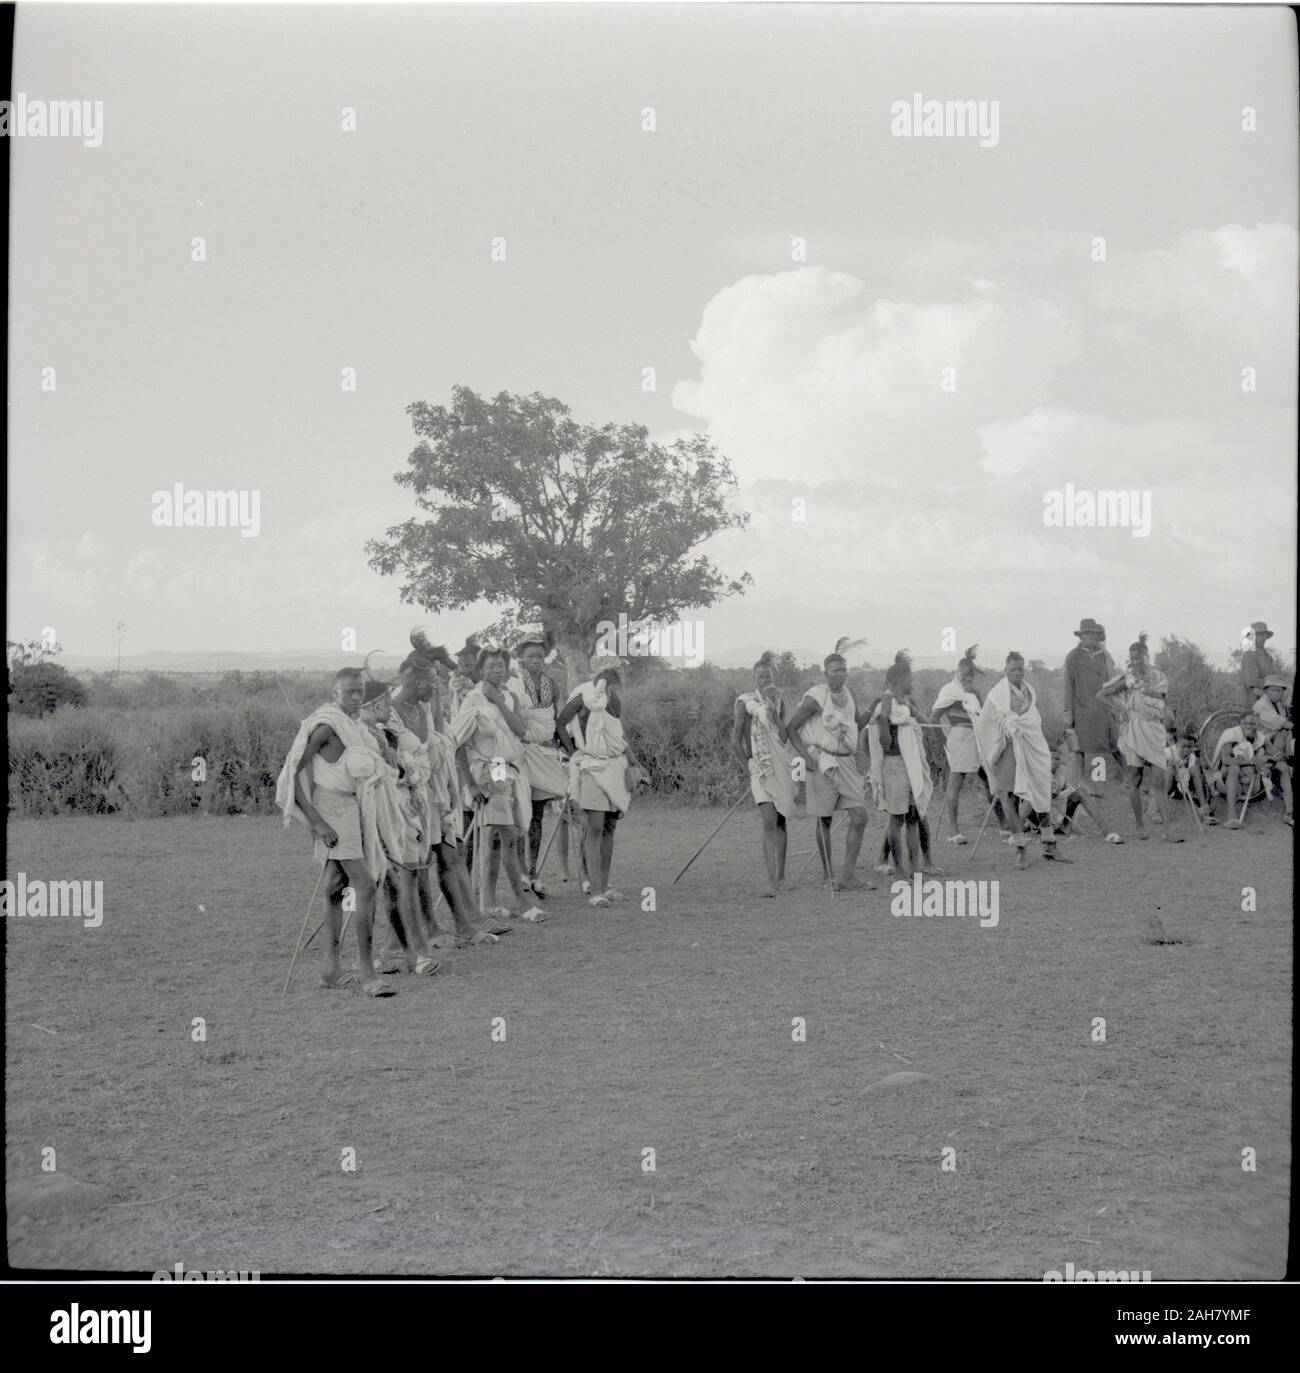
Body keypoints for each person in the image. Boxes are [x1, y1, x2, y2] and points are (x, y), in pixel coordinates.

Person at [275, 668, 397, 997]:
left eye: (360, 692)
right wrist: (316, 822)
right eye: (350, 692)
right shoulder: (327, 724)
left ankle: (330, 969)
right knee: (366, 884)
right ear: (335, 693)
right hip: (331, 812)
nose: (357, 697)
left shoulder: (355, 725)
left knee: (334, 885)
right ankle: (367, 970)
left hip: (353, 807)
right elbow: (292, 771)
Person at [388, 656, 508, 946]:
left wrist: (449, 788)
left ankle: (465, 924)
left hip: (436, 791)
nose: (438, 686)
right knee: (418, 862)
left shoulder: (424, 708)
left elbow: (444, 742)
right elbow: (393, 762)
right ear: (418, 682)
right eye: (434, 681)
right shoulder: (388, 714)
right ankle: (429, 929)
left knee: (449, 853)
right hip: (405, 797)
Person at [448, 647, 545, 922]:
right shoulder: (473, 698)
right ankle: (523, 903)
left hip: (511, 768)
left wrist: (500, 702)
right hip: (490, 769)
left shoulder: (509, 697)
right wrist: (472, 785)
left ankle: (488, 903)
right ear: (480, 670)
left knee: (496, 839)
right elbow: (457, 743)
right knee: (507, 835)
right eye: (491, 666)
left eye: (501, 665)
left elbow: (520, 731)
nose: (497, 670)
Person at [357, 681, 442, 977]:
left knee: (400, 885)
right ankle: (416, 954)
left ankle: (397, 954)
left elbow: (407, 769)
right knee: (400, 884)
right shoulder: (360, 736)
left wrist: (405, 767)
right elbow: (384, 774)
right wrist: (404, 768)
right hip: (385, 816)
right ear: (374, 705)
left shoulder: (380, 733)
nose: (390, 708)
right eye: (385, 703)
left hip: (402, 812)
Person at [556, 662, 646, 909]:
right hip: (591, 767)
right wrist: (574, 752)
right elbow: (560, 723)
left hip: (615, 767)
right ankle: (594, 890)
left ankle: (604, 886)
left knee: (609, 827)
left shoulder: (615, 703)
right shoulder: (584, 698)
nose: (610, 692)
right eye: (608, 686)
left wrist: (635, 763)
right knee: (594, 828)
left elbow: (618, 738)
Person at [787, 650, 871, 890]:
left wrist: (875, 707)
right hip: (822, 762)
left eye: (844, 669)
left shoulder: (849, 693)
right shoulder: (815, 698)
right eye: (835, 670)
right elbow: (792, 728)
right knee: (825, 819)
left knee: (860, 816)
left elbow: (857, 726)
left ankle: (848, 876)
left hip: (847, 762)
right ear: (825, 673)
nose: (841, 674)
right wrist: (805, 757)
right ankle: (828, 877)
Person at [974, 652, 1065, 866]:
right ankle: (1020, 848)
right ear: (1005, 670)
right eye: (1013, 669)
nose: (1017, 673)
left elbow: (1033, 720)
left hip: (1030, 744)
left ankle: (1049, 845)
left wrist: (1019, 724)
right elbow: (986, 723)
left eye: (1020, 669)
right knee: (1009, 796)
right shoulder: (997, 694)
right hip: (1007, 748)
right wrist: (1008, 725)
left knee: (1040, 791)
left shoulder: (1029, 691)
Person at [1097, 632, 1183, 843]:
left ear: (1147, 656)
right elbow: (1101, 695)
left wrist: (1168, 721)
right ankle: (1140, 827)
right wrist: (1120, 710)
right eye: (1132, 658)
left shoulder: (1160, 677)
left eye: (1139, 657)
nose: (1136, 661)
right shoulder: (1127, 677)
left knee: (1159, 782)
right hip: (1134, 730)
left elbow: (1162, 702)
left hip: (1154, 730)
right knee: (1134, 779)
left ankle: (1168, 831)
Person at [508, 633, 572, 895]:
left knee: (536, 817)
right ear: (521, 657)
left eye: (539, 655)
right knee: (520, 815)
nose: (535, 660)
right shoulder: (513, 683)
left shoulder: (551, 683)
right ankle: (521, 874)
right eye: (530, 655)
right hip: (521, 752)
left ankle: (533, 873)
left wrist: (569, 750)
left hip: (544, 754)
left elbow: (554, 719)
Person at [731, 651, 796, 897]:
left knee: (781, 820)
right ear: (753, 678)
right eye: (760, 676)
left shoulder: (779, 702)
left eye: (768, 676)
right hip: (759, 768)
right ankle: (771, 881)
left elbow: (783, 737)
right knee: (768, 819)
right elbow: (735, 740)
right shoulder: (745, 703)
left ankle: (781, 875)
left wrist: (775, 712)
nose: (764, 680)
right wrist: (747, 763)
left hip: (780, 766)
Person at [867, 651, 934, 880]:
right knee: (897, 818)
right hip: (895, 764)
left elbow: (927, 723)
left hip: (911, 765)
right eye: (910, 680)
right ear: (899, 682)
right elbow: (884, 738)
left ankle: (915, 867)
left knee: (914, 817)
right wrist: (886, 718)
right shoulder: (887, 702)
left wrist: (911, 711)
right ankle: (900, 869)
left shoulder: (907, 703)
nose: (913, 683)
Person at [931, 645, 1005, 844]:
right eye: (964, 675)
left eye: (970, 675)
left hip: (978, 738)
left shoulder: (973, 691)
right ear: (957, 672)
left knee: (989, 778)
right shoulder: (950, 690)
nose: (967, 678)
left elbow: (982, 714)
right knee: (956, 781)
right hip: (960, 737)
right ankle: (954, 831)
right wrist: (945, 741)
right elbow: (934, 717)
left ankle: (1005, 825)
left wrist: (975, 693)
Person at [1062, 617, 1118, 785]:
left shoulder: (1104, 656)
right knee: (1079, 753)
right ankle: (1076, 791)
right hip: (1082, 713)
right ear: (1081, 636)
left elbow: (1112, 680)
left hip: (1102, 713)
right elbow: (1068, 687)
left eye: (1094, 634)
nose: (1091, 637)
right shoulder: (1073, 657)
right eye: (1087, 633)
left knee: (1100, 752)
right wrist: (1068, 713)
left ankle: (1097, 791)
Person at [1050, 738, 1121, 842]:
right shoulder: (1037, 770)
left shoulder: (1063, 770)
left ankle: (1108, 832)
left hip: (1059, 810)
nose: (1054, 762)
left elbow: (1066, 790)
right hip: (1040, 814)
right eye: (1051, 758)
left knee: (1081, 791)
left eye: (1057, 759)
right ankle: (1019, 833)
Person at [1209, 713, 1264, 828]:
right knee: (1234, 767)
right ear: (1241, 724)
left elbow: (1272, 752)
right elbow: (1226, 759)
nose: (1249, 726)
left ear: (1258, 725)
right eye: (1246, 723)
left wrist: (1270, 758)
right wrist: (1250, 762)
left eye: (1252, 723)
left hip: (1248, 783)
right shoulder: (1231, 735)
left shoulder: (1260, 737)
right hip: (1225, 780)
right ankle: (1231, 817)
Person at [1239, 622, 1279, 708]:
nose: (1260, 638)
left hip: (1269, 698)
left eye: (1263, 635)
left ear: (1266, 637)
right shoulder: (1250, 653)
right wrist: (1271, 684)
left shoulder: (1266, 655)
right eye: (1257, 635)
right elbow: (1249, 680)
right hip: (1255, 700)